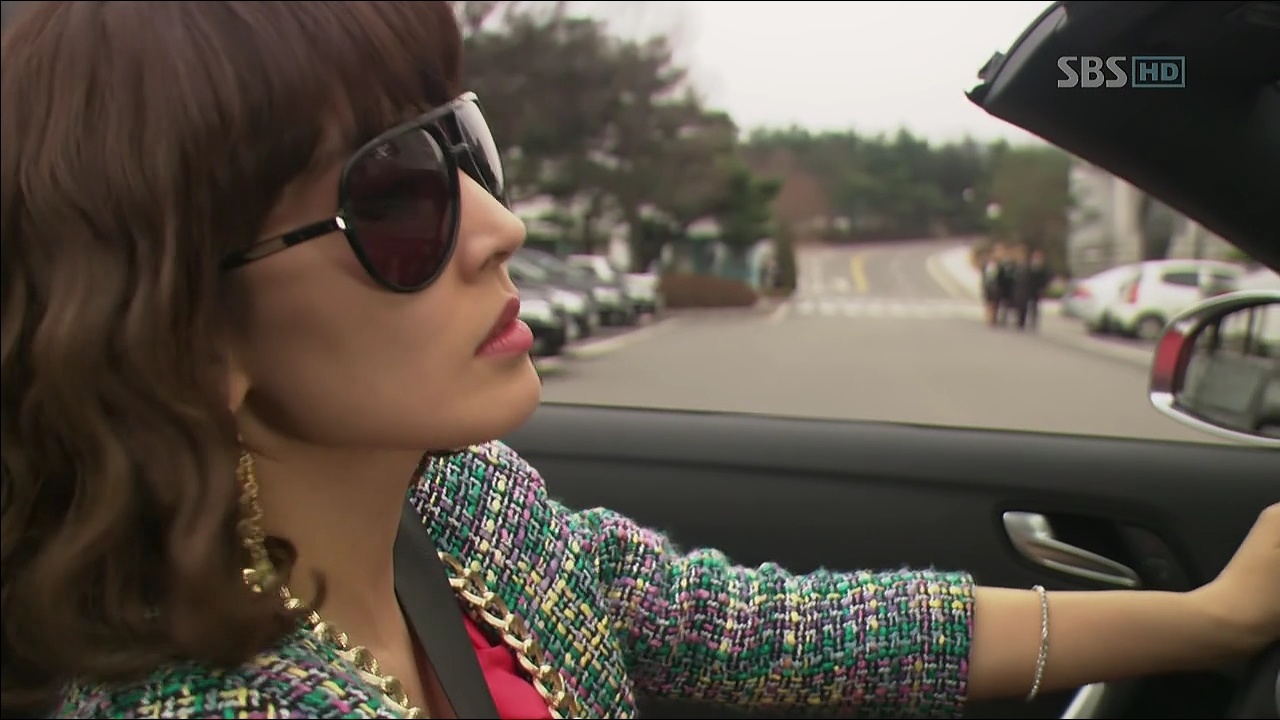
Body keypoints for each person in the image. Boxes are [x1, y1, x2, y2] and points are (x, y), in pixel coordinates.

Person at [2, 3, 1277, 719]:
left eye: (460, 147)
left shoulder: (458, 507)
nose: (498, 226)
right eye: (394, 198)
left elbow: (770, 631)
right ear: (183, 332)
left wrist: (1210, 620)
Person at [1015, 247, 1051, 330]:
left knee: (1034, 306)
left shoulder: (1043, 268)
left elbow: (1046, 279)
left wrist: (1043, 288)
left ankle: (1033, 321)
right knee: (1024, 305)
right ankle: (1021, 321)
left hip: (1037, 290)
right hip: (1027, 289)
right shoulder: (1029, 266)